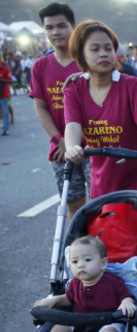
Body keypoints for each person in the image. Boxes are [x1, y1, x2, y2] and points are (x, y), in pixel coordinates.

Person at [63, 20, 137, 199]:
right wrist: (72, 147)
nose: (103, 54)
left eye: (108, 48)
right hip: (100, 181)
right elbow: (72, 126)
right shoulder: (74, 88)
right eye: (95, 49)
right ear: (81, 55)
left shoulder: (130, 85)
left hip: (135, 183)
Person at [26, 236, 136, 332]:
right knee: (58, 329)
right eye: (75, 262)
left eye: (87, 260)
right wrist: (55, 299)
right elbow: (70, 299)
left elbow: (125, 295)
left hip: (107, 321)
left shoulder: (113, 282)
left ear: (103, 263)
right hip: (80, 321)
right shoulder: (75, 283)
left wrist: (126, 301)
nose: (81, 266)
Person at [30, 3, 90, 220]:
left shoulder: (88, 60)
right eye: (49, 28)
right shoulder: (40, 66)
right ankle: (78, 252)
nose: (55, 32)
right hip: (61, 150)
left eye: (61, 26)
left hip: (95, 146)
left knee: (102, 204)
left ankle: (102, 253)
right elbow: (41, 108)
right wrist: (61, 141)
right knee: (74, 206)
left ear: (73, 27)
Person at [0, 55, 11, 136]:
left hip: (3, 94)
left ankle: (5, 129)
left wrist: (1, 79)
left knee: (5, 112)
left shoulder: (5, 68)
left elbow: (10, 80)